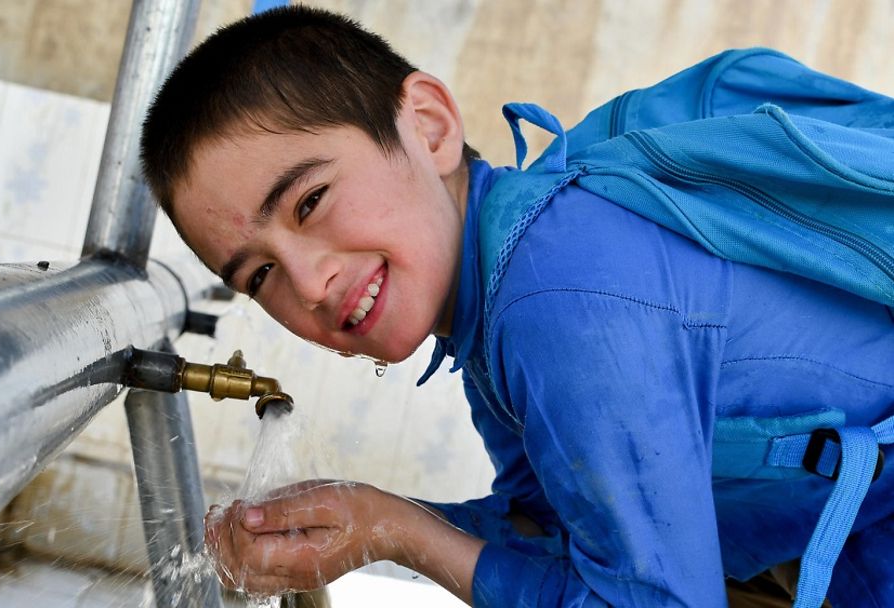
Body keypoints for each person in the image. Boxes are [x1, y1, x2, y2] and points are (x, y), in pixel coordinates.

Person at [139, 6, 894, 607]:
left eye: (310, 200)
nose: (307, 284)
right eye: (260, 274)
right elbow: (558, 529)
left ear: (430, 127)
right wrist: (368, 521)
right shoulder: (501, 282)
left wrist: (404, 533)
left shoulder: (556, 295)